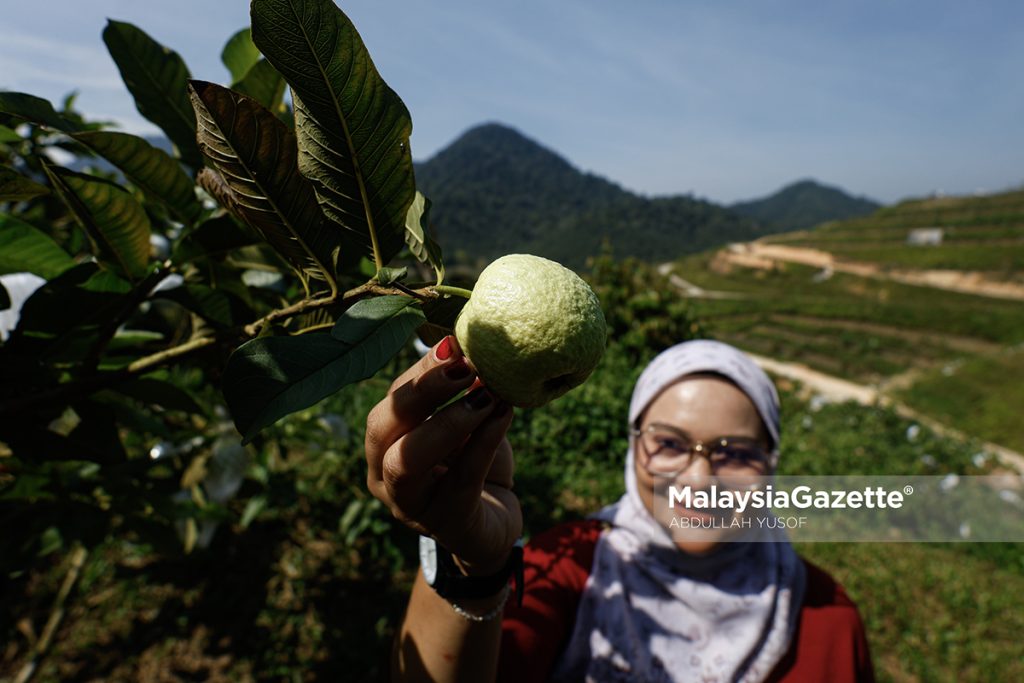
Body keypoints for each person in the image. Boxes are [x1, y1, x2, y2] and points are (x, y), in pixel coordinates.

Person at [365, 337, 874, 682]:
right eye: (669, 443)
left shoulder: (827, 617)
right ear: (633, 446)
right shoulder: (568, 569)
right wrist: (471, 563)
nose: (700, 480)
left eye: (736, 452)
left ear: (771, 462)